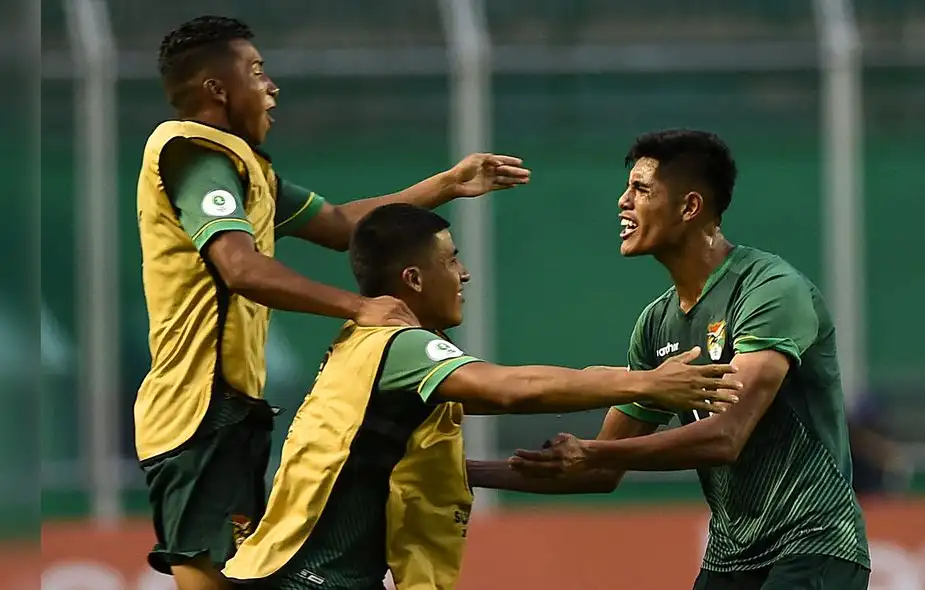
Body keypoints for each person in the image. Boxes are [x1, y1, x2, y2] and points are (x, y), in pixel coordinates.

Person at [136, 15, 530, 590]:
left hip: (229, 408)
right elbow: (240, 268)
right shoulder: (194, 154)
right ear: (216, 88)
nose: (272, 87)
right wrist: (357, 306)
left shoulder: (249, 170)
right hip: (196, 407)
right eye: (256, 72)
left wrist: (446, 184)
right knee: (210, 574)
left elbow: (341, 224)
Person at [221, 203, 742, 590]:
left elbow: (463, 426)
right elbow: (512, 390)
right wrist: (646, 383)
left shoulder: (364, 348)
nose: (464, 273)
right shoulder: (399, 345)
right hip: (311, 579)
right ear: (413, 279)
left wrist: (488, 469)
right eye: (451, 261)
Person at [469, 130, 872, 590]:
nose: (623, 202)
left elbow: (726, 435)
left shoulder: (770, 290)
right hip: (730, 557)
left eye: (640, 189)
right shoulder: (656, 324)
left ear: (689, 207)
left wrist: (592, 451)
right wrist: (463, 473)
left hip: (813, 543)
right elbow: (600, 473)